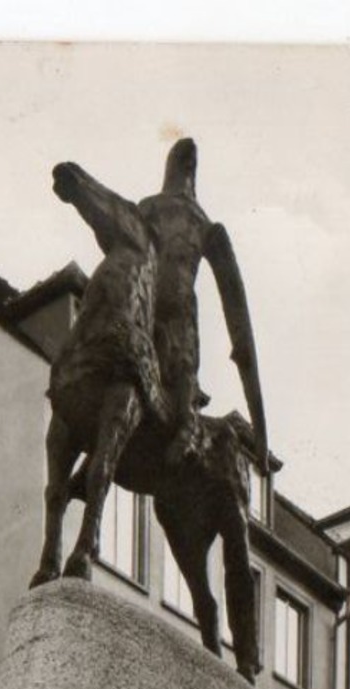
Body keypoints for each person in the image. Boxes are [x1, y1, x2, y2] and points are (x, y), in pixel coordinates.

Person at [138, 137, 268, 473]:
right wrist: (262, 434)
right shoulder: (200, 224)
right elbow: (238, 314)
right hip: (164, 326)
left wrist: (261, 435)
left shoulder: (150, 209)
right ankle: (186, 429)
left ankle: (186, 429)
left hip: (155, 325)